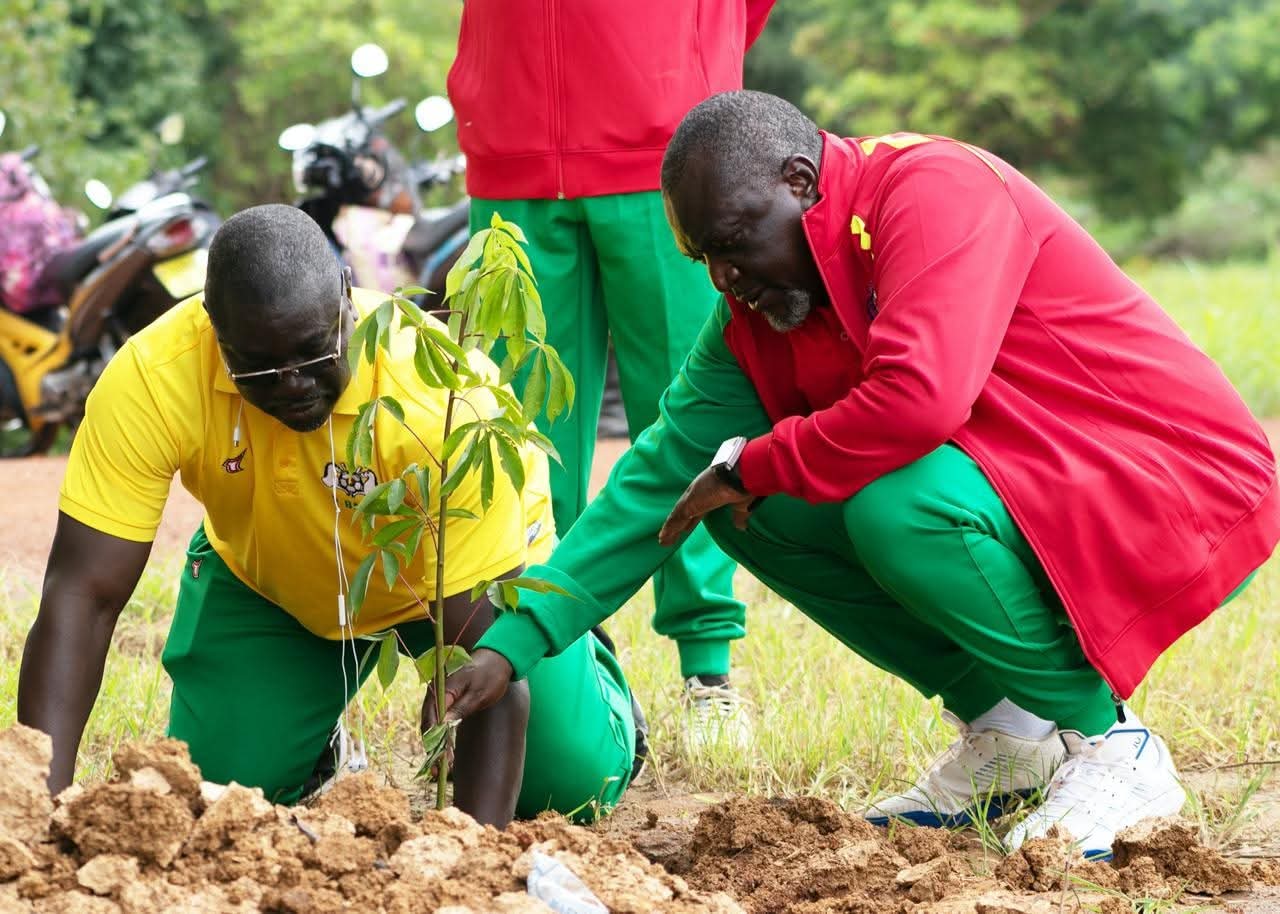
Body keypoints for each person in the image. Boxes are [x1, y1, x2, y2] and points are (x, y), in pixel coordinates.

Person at [428, 92, 1280, 857]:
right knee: (730, 505)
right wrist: (515, 642)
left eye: (732, 244)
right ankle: (1010, 733)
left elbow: (918, 401)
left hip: (1168, 480)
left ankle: (1114, 750)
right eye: (705, 261)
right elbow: (659, 476)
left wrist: (755, 459)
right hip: (1036, 487)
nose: (724, 279)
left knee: (889, 502)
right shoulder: (755, 316)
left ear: (802, 181)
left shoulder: (933, 190)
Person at [16, 204, 638, 828]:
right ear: (214, 329)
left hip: (455, 580)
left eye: (316, 352)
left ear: (347, 296)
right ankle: (319, 747)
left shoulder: (436, 397)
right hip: (277, 584)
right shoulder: (154, 378)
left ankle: (601, 691)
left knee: (569, 788)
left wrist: (469, 855)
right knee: (219, 800)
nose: (292, 383)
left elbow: (494, 674)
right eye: (257, 366)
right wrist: (37, 801)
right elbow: (83, 594)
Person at [445, 0, 776, 743]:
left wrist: (688, 57)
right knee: (513, 429)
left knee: (693, 416)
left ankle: (707, 667)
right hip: (510, 143)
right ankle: (560, 662)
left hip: (666, 147)